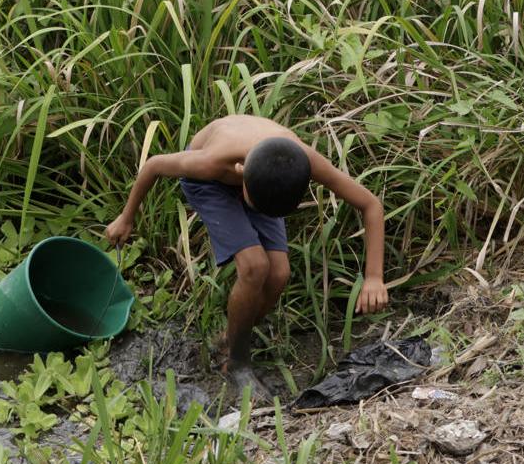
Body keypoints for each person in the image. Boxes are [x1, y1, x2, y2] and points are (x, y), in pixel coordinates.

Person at [104, 114, 388, 391]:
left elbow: (370, 205)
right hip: (211, 185)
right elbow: (153, 165)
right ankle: (237, 362)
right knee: (254, 267)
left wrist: (374, 277)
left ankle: (232, 336)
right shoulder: (209, 164)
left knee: (279, 273)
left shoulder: (300, 161)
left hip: (265, 179)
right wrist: (127, 217)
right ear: (241, 177)